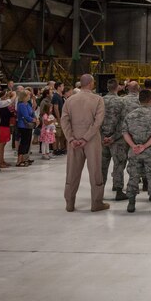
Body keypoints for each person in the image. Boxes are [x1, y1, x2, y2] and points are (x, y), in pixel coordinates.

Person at [62, 74, 108, 212]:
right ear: (91, 83)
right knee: (95, 171)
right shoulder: (98, 99)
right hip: (91, 140)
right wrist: (86, 138)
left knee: (72, 171)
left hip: (74, 140)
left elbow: (64, 121)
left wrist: (71, 138)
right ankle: (96, 202)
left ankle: (70, 203)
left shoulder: (69, 100)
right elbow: (98, 122)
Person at [121, 89, 151, 214]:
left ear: (139, 100)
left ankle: (131, 203)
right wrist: (145, 146)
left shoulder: (130, 115)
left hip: (134, 151)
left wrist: (134, 145)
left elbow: (124, 132)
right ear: (150, 99)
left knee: (133, 176)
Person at [15, 90, 36, 167]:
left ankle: (24, 159)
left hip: (29, 126)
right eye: (28, 95)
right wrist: (33, 119)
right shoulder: (21, 105)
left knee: (27, 143)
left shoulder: (28, 104)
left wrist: (35, 118)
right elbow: (25, 115)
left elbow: (32, 112)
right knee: (23, 143)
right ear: (24, 96)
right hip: (23, 125)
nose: (29, 96)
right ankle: (19, 160)